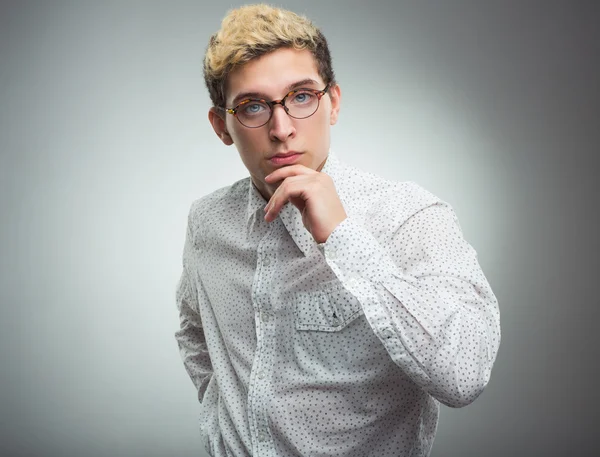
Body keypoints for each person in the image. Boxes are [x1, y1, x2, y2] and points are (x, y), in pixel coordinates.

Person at [174, 4, 501, 457]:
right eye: (253, 106)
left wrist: (344, 238)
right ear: (222, 126)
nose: (282, 129)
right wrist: (218, 418)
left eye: (302, 96)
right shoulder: (208, 222)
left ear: (334, 103)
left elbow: (464, 376)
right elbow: (195, 331)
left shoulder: (409, 216)